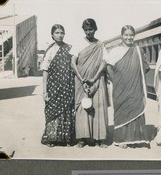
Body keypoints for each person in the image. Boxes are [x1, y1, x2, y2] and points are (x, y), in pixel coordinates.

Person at [88, 25, 150, 149]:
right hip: (120, 86)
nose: (129, 37)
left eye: (131, 35)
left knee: (135, 108)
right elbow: (108, 67)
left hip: (135, 85)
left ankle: (136, 138)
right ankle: (122, 140)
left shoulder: (138, 50)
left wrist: (133, 77)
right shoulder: (115, 51)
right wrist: (116, 79)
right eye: (126, 35)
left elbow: (145, 67)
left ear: (134, 36)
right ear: (122, 36)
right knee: (122, 110)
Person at [71, 18, 109, 148]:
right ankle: (82, 139)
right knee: (82, 108)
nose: (88, 32)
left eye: (91, 29)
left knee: (98, 108)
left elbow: (104, 62)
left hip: (97, 80)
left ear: (95, 29)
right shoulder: (78, 43)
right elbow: (72, 62)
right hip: (81, 81)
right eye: (86, 30)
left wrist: (94, 78)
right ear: (83, 30)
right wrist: (81, 78)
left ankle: (99, 139)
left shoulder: (100, 45)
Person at [40, 24, 76, 147]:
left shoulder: (69, 49)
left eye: (62, 33)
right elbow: (45, 71)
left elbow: (74, 66)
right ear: (52, 35)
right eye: (57, 33)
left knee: (66, 110)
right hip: (53, 87)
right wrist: (45, 91)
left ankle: (66, 138)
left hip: (67, 86)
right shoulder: (49, 50)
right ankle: (51, 138)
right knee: (52, 110)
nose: (60, 35)